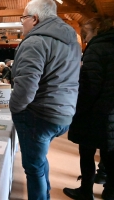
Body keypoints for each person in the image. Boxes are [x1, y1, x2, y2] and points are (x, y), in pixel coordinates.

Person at [9, 0, 81, 199]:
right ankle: (46, 193)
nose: (22, 23)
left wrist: (14, 109)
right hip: (64, 114)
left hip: (39, 115)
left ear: (35, 18)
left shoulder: (35, 41)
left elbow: (25, 88)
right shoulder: (72, 40)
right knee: (40, 161)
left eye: (23, 18)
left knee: (33, 169)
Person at [63, 16, 114, 200]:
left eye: (84, 34)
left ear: (94, 31)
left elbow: (90, 87)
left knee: (87, 153)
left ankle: (86, 191)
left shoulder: (96, 49)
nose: (84, 40)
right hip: (111, 113)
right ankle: (110, 192)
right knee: (110, 154)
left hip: (94, 113)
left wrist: (77, 110)